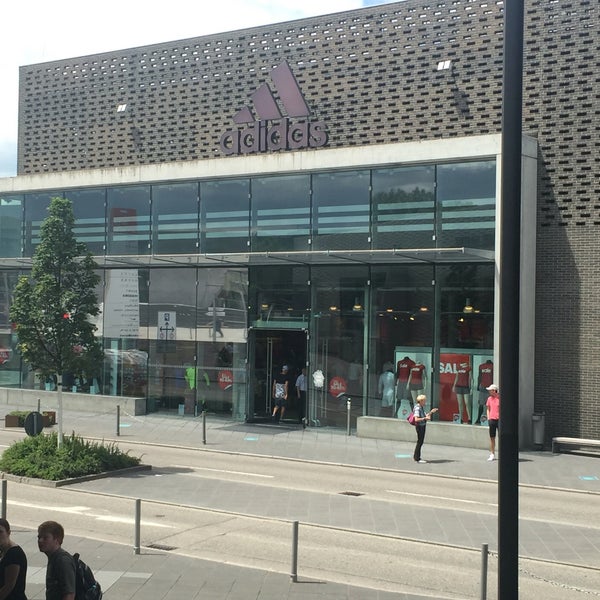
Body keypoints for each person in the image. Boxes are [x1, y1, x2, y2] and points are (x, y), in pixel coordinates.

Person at [37, 521, 76, 600]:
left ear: (57, 540)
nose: (40, 541)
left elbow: (69, 595)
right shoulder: (54, 558)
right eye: (39, 537)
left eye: (45, 538)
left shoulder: (63, 561)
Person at [0, 518, 27, 600]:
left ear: (8, 533)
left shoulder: (14, 554)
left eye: (0, 532)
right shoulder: (3, 551)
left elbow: (9, 585)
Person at [412, 394, 438, 464]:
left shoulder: (421, 407)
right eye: (424, 401)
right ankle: (417, 458)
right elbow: (416, 419)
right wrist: (425, 418)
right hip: (420, 426)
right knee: (420, 442)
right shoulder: (418, 408)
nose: (425, 402)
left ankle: (416, 457)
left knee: (420, 442)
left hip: (422, 426)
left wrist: (431, 412)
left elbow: (424, 416)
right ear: (420, 401)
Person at [475, 360, 493, 424]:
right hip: (487, 387)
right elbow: (480, 376)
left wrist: (478, 385)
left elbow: (479, 377)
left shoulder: (482, 366)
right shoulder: (491, 366)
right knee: (484, 404)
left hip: (487, 387)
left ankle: (480, 420)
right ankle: (479, 419)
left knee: (484, 404)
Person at [485, 384, 500, 461]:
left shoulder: (500, 398)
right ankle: (492, 453)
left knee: (501, 437)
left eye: (490, 390)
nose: (489, 392)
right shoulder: (489, 399)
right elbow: (488, 409)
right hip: (492, 420)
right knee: (492, 437)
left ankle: (502, 453)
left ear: (494, 391)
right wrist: (489, 418)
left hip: (499, 420)